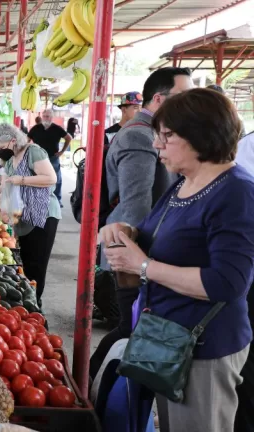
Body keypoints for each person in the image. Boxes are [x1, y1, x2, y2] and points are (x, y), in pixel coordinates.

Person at [102, 88, 254, 432]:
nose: (157, 145)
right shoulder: (183, 183)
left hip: (204, 347)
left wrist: (143, 266)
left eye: (167, 136)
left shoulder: (236, 192)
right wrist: (126, 230)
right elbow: (160, 233)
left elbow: (228, 283)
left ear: (202, 133)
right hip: (167, 337)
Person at [89, 68, 193, 380]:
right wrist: (137, 262)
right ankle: (97, 389)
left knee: (132, 330)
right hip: (136, 254)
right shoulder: (139, 135)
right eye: (183, 97)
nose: (188, 105)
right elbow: (136, 205)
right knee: (131, 330)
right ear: (159, 99)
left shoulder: (152, 132)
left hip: (142, 254)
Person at [0, 123, 60, 306]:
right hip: (25, 217)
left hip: (43, 215)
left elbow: (50, 178)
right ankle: (30, 304)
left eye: (0, 148)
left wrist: (21, 180)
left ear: (13, 140)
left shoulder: (33, 152)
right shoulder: (12, 159)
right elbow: (4, 188)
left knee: (37, 266)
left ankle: (35, 305)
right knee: (28, 264)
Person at [27, 109, 71, 206]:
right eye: (45, 116)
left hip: (52, 157)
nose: (46, 118)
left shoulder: (57, 128)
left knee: (56, 179)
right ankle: (37, 199)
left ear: (52, 117)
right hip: (38, 158)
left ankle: (57, 200)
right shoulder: (35, 128)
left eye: (48, 116)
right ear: (42, 117)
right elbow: (27, 140)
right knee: (37, 178)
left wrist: (62, 151)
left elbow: (68, 138)